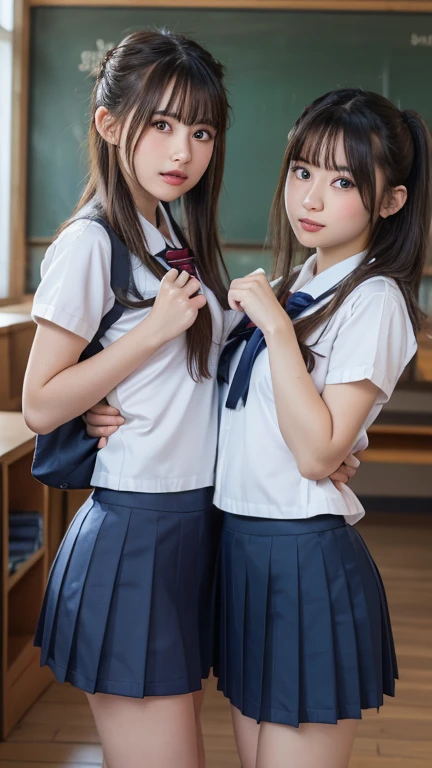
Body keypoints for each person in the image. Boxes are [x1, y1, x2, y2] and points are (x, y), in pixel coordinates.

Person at [23, 28, 235, 768]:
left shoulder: (166, 226)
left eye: (201, 129)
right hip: (135, 532)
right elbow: (40, 403)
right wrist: (144, 340)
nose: (183, 150)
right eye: (162, 123)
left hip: (187, 521)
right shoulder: (93, 241)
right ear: (111, 126)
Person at [212, 88, 431, 768]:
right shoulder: (293, 283)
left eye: (341, 181)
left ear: (389, 201)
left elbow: (314, 454)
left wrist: (274, 326)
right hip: (242, 550)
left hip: (304, 557)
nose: (310, 196)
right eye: (302, 170)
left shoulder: (376, 300)